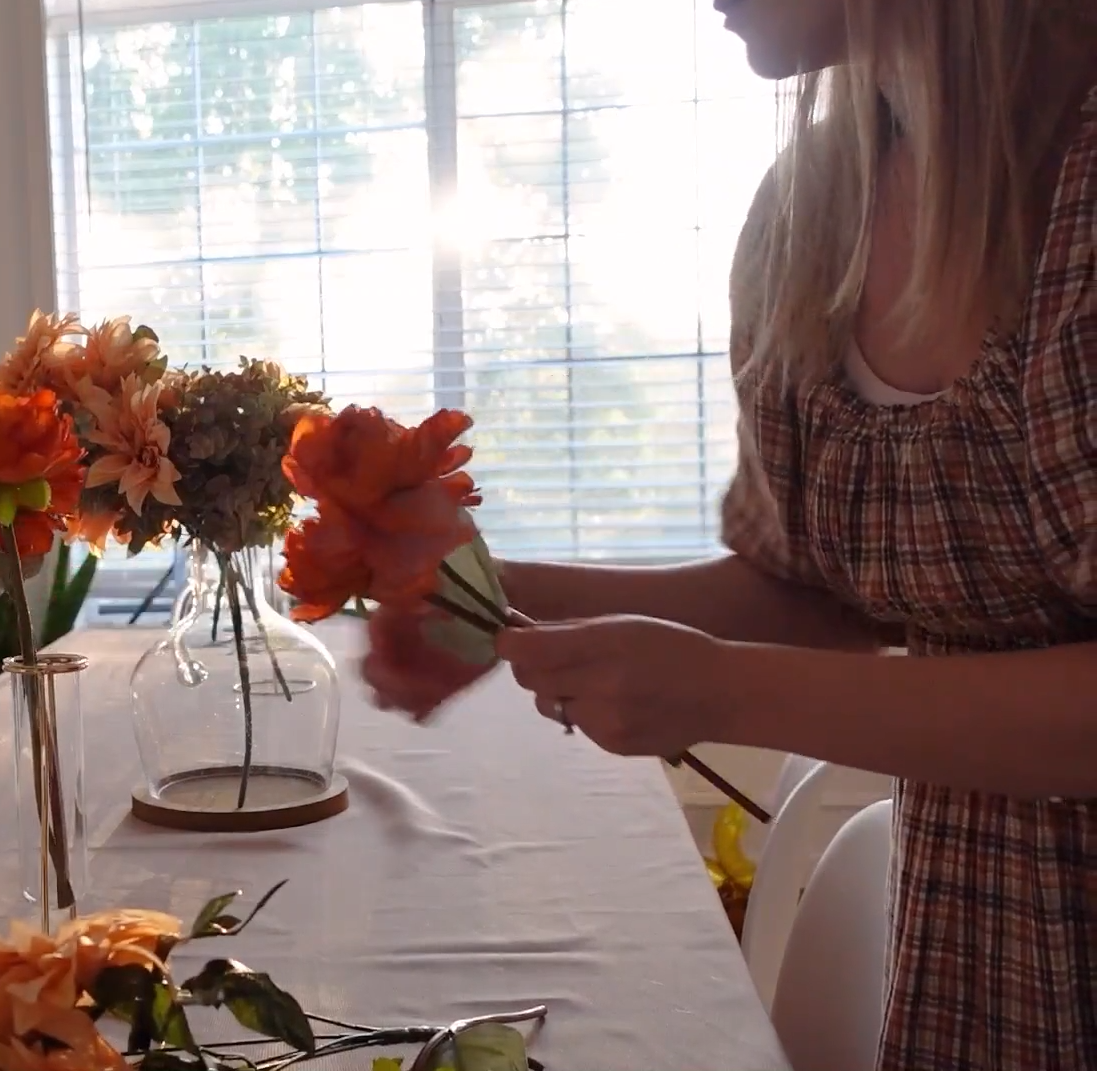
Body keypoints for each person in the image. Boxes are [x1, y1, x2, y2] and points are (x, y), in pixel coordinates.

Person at [364, 1, 1097, 1069]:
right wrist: (479, 591)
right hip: (979, 957)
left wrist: (723, 690)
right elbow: (816, 596)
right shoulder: (813, 213)